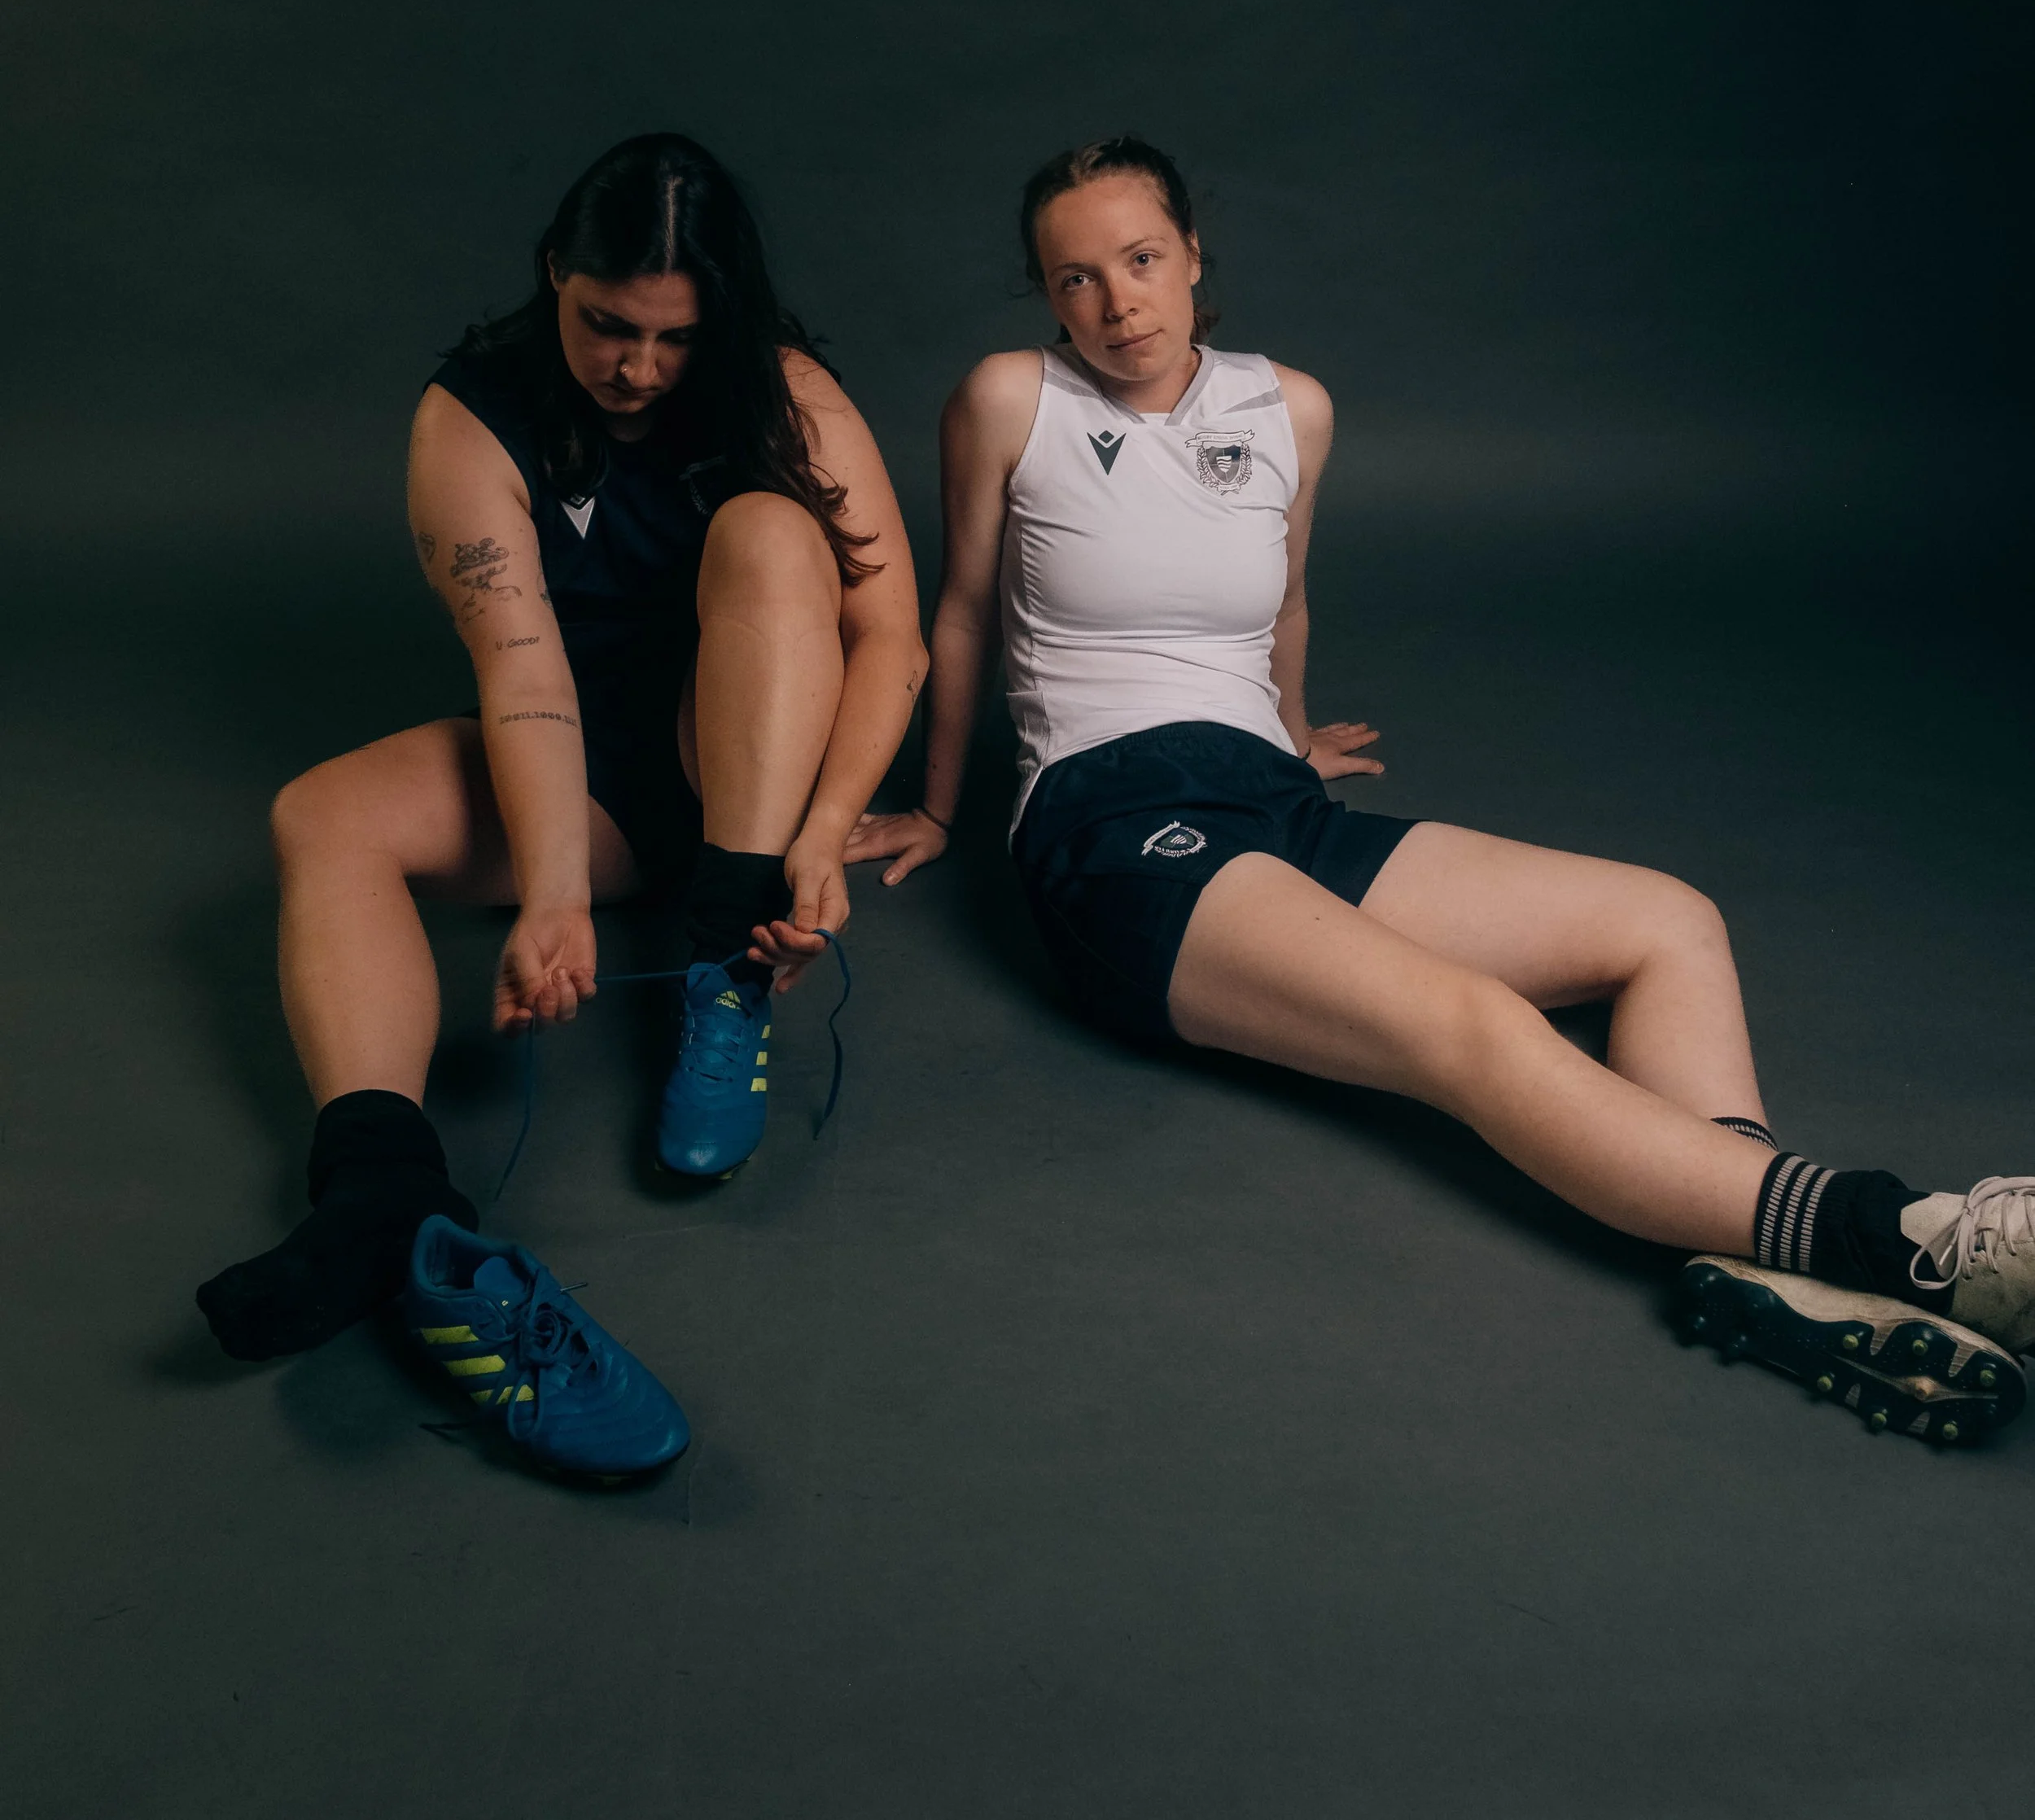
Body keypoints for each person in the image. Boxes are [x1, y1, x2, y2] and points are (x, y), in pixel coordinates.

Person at [848, 134, 2035, 1446]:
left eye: (1140, 260)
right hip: (1112, 825)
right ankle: (1910, 1237)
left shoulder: (1289, 406)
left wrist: (1289, 740)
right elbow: (959, 614)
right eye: (1075, 280)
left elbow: (1280, 604)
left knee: (1669, 921)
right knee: (1466, 1027)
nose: (1117, 302)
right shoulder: (1014, 399)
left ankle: (1762, 1275)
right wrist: (946, 809)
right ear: (1046, 297)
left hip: (1267, 804)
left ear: (1193, 257)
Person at [199, 133, 925, 1389]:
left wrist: (823, 830)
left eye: (675, 338)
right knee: (322, 817)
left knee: (766, 529)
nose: (636, 368)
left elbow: (891, 634)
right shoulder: (471, 415)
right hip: (581, 773)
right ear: (555, 274)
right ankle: (378, 1189)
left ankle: (726, 957)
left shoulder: (784, 388)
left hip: (739, 763)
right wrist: (553, 894)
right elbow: (525, 676)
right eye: (607, 327)